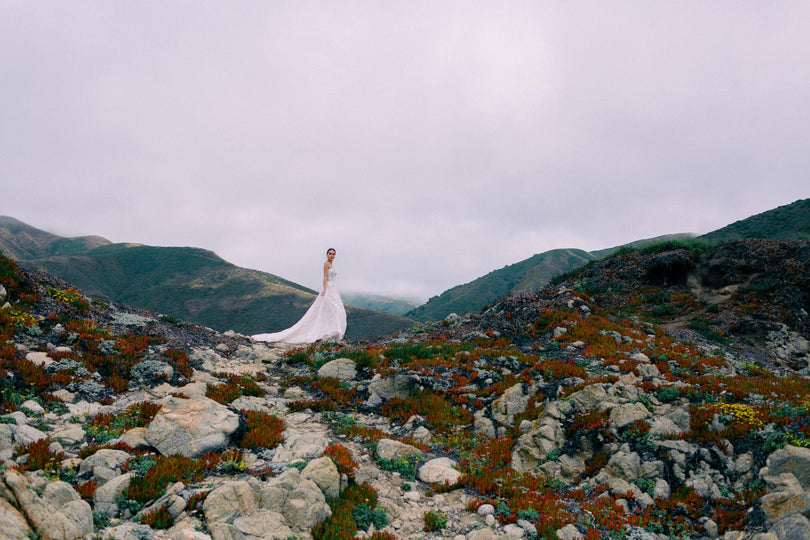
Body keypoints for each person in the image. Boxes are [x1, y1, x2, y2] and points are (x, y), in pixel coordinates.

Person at [251, 248, 347, 344]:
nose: (332, 255)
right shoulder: (326, 264)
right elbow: (325, 278)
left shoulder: (331, 265)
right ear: (327, 255)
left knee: (333, 311)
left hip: (333, 289)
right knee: (331, 309)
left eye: (333, 254)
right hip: (329, 288)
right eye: (330, 253)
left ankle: (332, 331)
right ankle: (329, 332)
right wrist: (324, 290)